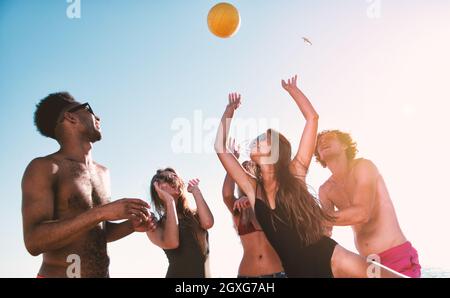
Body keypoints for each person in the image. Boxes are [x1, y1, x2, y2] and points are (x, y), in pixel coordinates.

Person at [214, 76, 401, 278]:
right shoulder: (252, 188)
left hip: (329, 256)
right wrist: (229, 112)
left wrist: (292, 90)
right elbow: (219, 147)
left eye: (263, 139)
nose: (255, 142)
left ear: (277, 149)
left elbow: (312, 118)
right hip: (296, 273)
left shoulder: (295, 171)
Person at [22, 92, 155, 278]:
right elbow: (33, 241)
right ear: (71, 117)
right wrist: (102, 212)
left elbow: (95, 233)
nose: (98, 116)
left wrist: (131, 226)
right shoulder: (45, 167)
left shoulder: (103, 172)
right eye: (89, 109)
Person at [315, 130, 421, 277]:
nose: (322, 142)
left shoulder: (364, 166)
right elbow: (325, 230)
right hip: (367, 263)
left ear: (345, 145)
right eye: (319, 143)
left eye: (329, 138)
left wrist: (312, 217)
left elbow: (362, 213)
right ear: (319, 156)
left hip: (396, 256)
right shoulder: (325, 190)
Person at [222, 139, 284, 278]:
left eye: (247, 174)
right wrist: (233, 159)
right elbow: (227, 194)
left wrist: (254, 199)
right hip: (246, 275)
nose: (244, 179)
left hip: (278, 273)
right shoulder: (239, 208)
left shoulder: (273, 203)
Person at [146, 168, 214, 278]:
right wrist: (169, 201)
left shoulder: (194, 215)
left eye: (175, 177)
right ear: (157, 189)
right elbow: (172, 243)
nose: (173, 180)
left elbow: (208, 223)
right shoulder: (154, 225)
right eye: (167, 179)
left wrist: (196, 191)